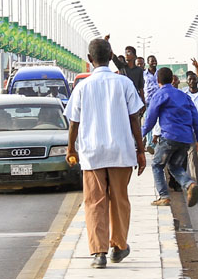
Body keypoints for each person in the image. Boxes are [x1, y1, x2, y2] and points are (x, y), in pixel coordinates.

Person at [64, 38, 145, 269]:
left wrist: (71, 149)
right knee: (119, 199)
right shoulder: (124, 84)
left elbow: (74, 123)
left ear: (90, 60)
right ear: (111, 58)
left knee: (94, 202)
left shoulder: (82, 87)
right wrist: (140, 150)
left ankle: (98, 252)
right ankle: (118, 247)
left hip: (92, 153)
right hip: (121, 151)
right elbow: (135, 119)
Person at [144, 67, 198, 207]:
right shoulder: (184, 95)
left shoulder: (159, 95)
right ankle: (189, 184)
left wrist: (140, 135)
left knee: (157, 165)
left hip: (169, 136)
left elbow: (150, 119)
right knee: (174, 165)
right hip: (186, 138)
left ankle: (164, 196)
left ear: (157, 80)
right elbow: (195, 117)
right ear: (172, 80)